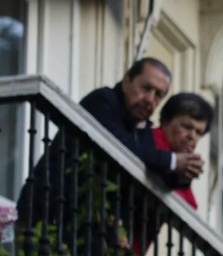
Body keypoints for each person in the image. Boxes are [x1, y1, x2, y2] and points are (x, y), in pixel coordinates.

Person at [79, 57, 205, 189]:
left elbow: (157, 177)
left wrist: (186, 172)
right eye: (146, 88)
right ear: (127, 81)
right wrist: (172, 161)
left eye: (158, 95)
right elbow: (119, 145)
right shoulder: (103, 100)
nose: (150, 100)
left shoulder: (143, 129)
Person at [151, 92, 214, 211]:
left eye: (198, 132)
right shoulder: (149, 139)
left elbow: (190, 206)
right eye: (187, 127)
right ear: (165, 122)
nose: (192, 136)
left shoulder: (182, 163)